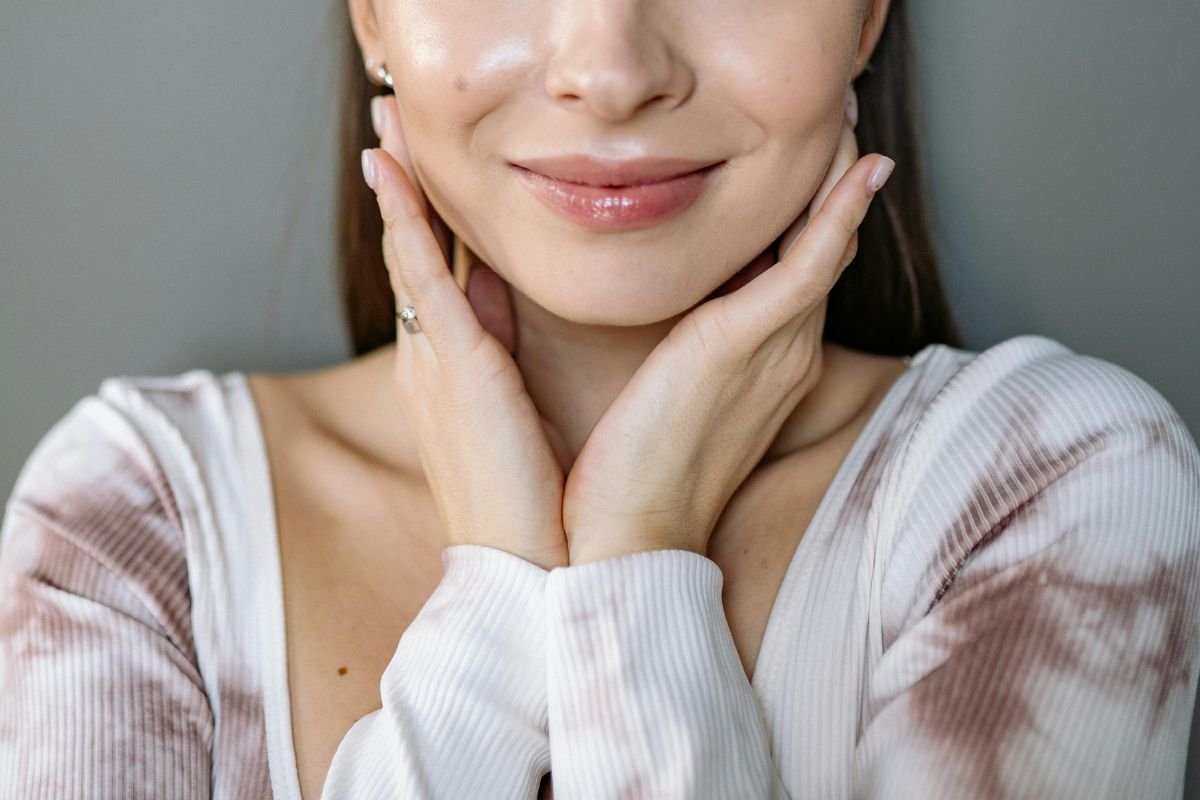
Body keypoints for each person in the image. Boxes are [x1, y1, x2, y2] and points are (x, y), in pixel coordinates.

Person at [1, 0, 1198, 797]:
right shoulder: (137, 521)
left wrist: (636, 555)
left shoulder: (1054, 485)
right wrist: (496, 595)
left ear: (868, 15)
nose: (611, 73)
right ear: (372, 15)